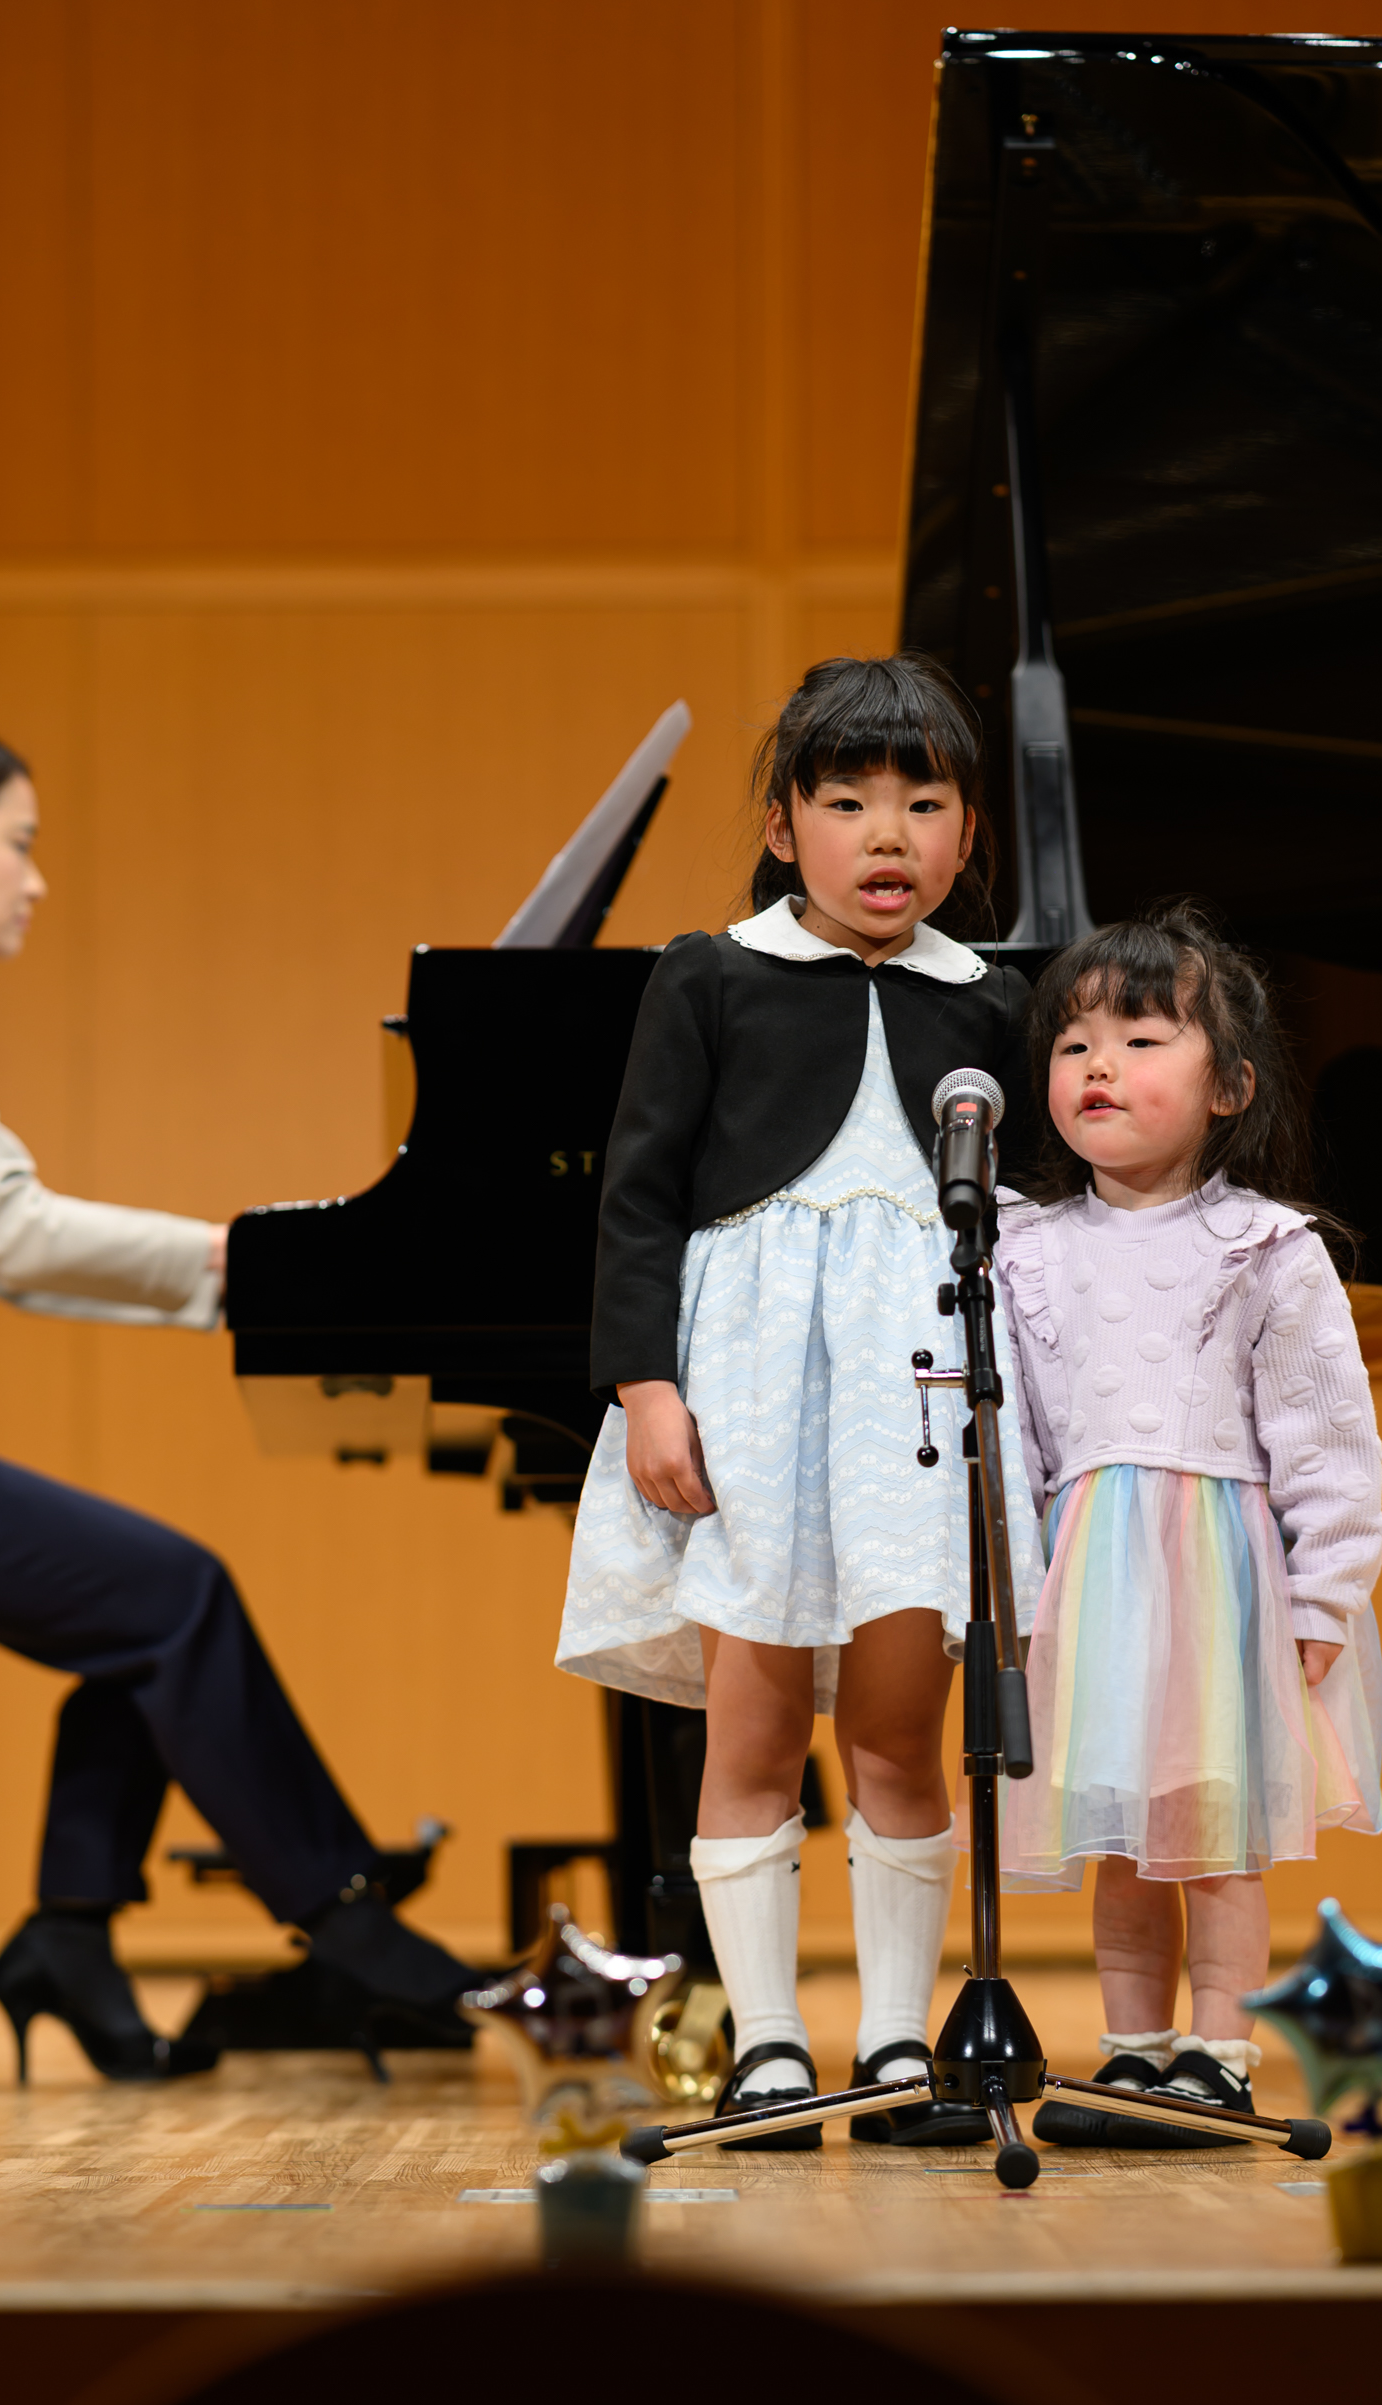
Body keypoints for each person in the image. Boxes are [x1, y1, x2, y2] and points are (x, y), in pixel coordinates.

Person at [0, 717, 481, 2081]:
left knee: (143, 1612)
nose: (37, 879)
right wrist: (248, 1258)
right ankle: (340, 1926)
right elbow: (8, 1229)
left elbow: (6, 1256)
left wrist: (236, 1287)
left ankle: (68, 1936)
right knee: (172, 1596)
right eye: (20, 846)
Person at [557, 653, 1044, 2148]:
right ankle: (769, 2042)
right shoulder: (709, 974)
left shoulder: (999, 1000)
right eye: (846, 801)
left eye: (922, 802)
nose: (885, 834)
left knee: (901, 1734)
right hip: (750, 1391)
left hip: (923, 1395)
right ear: (784, 829)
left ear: (968, 839)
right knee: (752, 1729)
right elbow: (634, 1201)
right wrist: (648, 1389)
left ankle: (897, 2041)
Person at [994, 904, 1382, 2146]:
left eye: (1139, 1036)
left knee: (1213, 1835)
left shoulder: (1264, 1249)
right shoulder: (1023, 1250)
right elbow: (1019, 1446)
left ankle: (1216, 2050)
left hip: (1220, 1585)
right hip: (1091, 1586)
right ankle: (1129, 2049)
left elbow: (1327, 1436)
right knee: (1122, 1837)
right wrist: (1013, 1590)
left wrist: (1321, 1597)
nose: (1096, 1064)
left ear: (1228, 1086)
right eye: (1070, 1044)